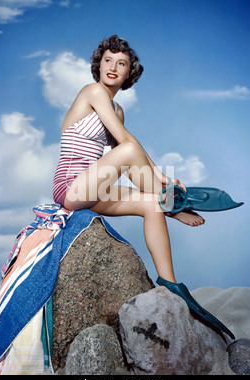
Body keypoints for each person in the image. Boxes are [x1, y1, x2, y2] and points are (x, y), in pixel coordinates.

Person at [52, 34, 205, 285]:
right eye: (108, 60)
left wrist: (161, 178)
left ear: (128, 73)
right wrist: (162, 180)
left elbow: (128, 148)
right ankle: (173, 207)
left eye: (121, 63)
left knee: (152, 205)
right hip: (71, 187)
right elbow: (126, 144)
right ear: (98, 65)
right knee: (131, 153)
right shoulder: (92, 91)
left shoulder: (117, 110)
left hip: (93, 190)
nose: (112, 67)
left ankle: (170, 284)